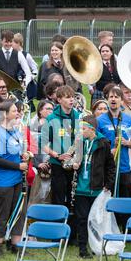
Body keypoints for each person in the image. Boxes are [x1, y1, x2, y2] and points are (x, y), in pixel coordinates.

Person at [41, 86, 81, 243]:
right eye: (67, 97)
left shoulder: (77, 116)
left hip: (74, 163)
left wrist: (76, 157)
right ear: (59, 100)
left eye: (72, 97)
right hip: (58, 164)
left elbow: (80, 140)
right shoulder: (52, 119)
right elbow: (43, 143)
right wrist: (57, 155)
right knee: (58, 198)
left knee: (73, 199)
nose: (71, 100)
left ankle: (71, 236)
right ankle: (57, 235)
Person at [72, 115, 115, 258]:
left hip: (96, 189)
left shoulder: (103, 143)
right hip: (80, 189)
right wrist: (73, 164)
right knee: (82, 218)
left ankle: (96, 246)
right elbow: (69, 159)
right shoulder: (79, 142)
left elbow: (110, 166)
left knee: (96, 220)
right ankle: (82, 249)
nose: (80, 132)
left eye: (83, 129)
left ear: (92, 129)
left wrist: (108, 184)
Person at [0, 100, 28, 257]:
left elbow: (14, 151)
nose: (17, 113)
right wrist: (18, 166)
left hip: (17, 179)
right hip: (2, 180)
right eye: (14, 111)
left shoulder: (15, 131)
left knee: (19, 211)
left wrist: (23, 155)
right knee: (2, 214)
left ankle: (15, 244)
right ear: (5, 114)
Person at [97, 86, 131, 228]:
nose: (113, 99)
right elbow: (95, 143)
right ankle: (107, 227)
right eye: (111, 97)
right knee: (108, 198)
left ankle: (125, 228)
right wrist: (108, 150)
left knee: (125, 199)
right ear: (107, 100)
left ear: (121, 100)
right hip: (107, 168)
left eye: (116, 97)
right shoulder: (100, 120)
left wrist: (127, 143)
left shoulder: (129, 120)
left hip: (124, 167)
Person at [12, 32, 38, 103]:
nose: (11, 44)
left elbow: (35, 69)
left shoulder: (26, 55)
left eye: (13, 42)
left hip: (24, 84)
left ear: (18, 43)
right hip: (13, 83)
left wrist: (28, 79)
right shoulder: (11, 55)